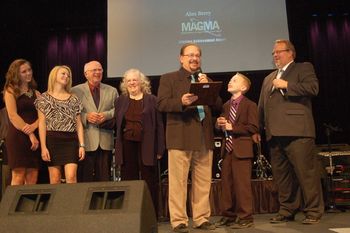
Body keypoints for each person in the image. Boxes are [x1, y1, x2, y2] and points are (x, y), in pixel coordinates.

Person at [157, 43, 222, 232]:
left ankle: (201, 218)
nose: (194, 58)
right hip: (181, 136)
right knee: (178, 182)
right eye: (190, 55)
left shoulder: (205, 78)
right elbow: (161, 104)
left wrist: (207, 86)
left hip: (204, 136)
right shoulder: (169, 78)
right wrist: (181, 102)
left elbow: (218, 104)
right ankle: (179, 221)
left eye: (197, 55)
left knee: (203, 181)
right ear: (181, 58)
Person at [257, 39, 324, 224]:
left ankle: (313, 211)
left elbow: (313, 88)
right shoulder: (268, 78)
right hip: (274, 134)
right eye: (273, 53)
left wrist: (287, 85)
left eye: (279, 51)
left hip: (298, 131)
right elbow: (262, 106)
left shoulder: (303, 68)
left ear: (291, 53)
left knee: (306, 174)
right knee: (282, 177)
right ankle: (287, 209)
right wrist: (258, 127)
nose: (275, 55)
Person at [114, 68, 165, 213]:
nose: (132, 83)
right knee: (129, 178)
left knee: (149, 179)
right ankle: (130, 212)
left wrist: (160, 148)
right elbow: (117, 123)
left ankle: (150, 213)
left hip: (147, 144)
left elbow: (160, 125)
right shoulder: (120, 101)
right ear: (125, 83)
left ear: (141, 82)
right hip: (127, 144)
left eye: (134, 80)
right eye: (128, 80)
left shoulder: (152, 100)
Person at [215, 73, 258, 229]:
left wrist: (233, 127)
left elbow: (253, 127)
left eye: (234, 81)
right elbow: (222, 125)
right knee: (227, 185)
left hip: (242, 150)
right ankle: (228, 215)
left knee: (242, 186)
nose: (230, 82)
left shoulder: (250, 105)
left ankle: (246, 216)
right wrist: (219, 124)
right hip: (228, 151)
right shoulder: (226, 105)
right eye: (230, 80)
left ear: (243, 87)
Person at [35, 65, 85, 184]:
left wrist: (82, 145)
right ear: (54, 75)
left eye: (68, 75)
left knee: (71, 177)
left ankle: (72, 202)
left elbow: (79, 124)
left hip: (71, 141)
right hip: (52, 140)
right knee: (55, 178)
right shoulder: (44, 98)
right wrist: (43, 147)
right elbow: (42, 124)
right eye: (63, 73)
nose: (66, 76)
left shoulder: (74, 99)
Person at [71, 61, 118, 182]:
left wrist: (106, 115)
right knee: (85, 179)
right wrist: (86, 117)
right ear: (86, 74)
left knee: (104, 179)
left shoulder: (112, 90)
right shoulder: (75, 91)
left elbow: (118, 110)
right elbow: (70, 112)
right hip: (85, 141)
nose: (98, 72)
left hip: (105, 141)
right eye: (94, 70)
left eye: (100, 70)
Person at [3, 59, 40, 185]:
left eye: (29, 70)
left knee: (32, 178)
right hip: (18, 136)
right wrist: (30, 133)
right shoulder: (10, 91)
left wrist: (34, 127)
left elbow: (43, 115)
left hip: (35, 135)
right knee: (18, 176)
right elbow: (13, 115)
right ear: (16, 74)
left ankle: (29, 205)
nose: (28, 73)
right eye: (24, 71)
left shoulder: (37, 93)